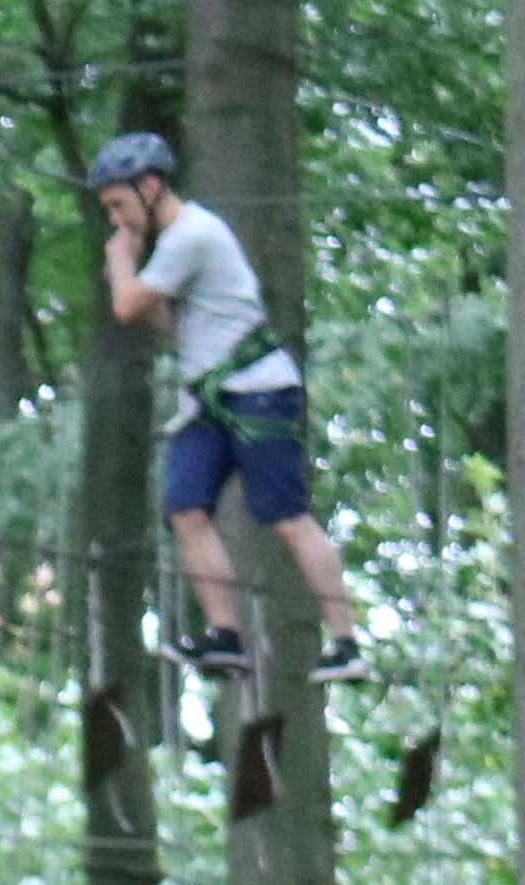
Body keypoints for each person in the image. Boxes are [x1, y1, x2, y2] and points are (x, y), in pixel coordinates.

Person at [93, 129, 369, 685]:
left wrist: (121, 263)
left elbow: (125, 306)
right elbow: (171, 327)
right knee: (185, 508)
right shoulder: (175, 246)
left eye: (119, 205)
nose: (118, 220)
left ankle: (346, 643)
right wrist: (138, 279)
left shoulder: (192, 235)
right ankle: (225, 636)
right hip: (210, 401)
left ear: (151, 187)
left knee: (286, 519)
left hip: (259, 393)